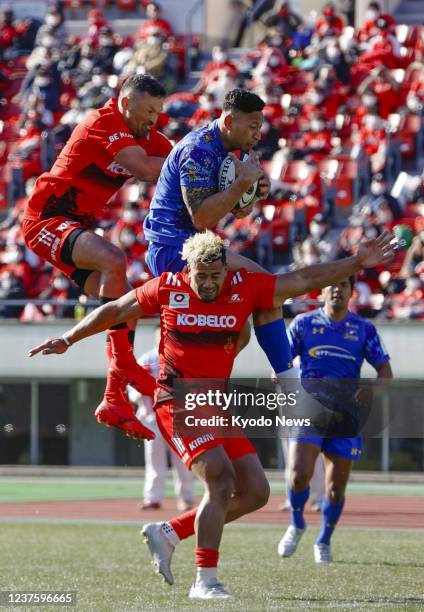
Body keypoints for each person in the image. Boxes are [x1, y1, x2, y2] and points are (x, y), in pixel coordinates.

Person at [29, 229, 394, 599]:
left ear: (226, 269)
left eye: (214, 276)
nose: (207, 283)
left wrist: (357, 262)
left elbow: (300, 280)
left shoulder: (245, 287)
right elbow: (116, 310)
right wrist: (69, 338)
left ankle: (168, 532)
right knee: (220, 480)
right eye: (200, 275)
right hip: (176, 401)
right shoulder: (167, 287)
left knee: (255, 491)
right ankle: (205, 580)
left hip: (214, 406)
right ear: (188, 269)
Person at [22, 74, 173, 439]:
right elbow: (146, 169)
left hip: (73, 226)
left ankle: (113, 399)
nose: (153, 118)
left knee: (126, 302)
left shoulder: (146, 136)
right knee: (114, 259)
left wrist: (234, 179)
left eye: (158, 112)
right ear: (126, 103)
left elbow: (185, 157)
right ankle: (124, 363)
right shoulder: (103, 122)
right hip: (46, 219)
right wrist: (202, 173)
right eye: (148, 110)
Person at [143, 87, 294, 396]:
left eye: (259, 127)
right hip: (173, 248)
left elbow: (238, 210)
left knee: (241, 331)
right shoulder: (198, 149)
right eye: (252, 126)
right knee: (265, 286)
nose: (257, 134)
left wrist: (253, 193)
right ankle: (288, 377)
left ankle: (187, 376)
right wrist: (242, 184)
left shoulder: (228, 150)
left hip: (193, 246)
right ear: (228, 122)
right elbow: (200, 217)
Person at [277, 276, 393, 564]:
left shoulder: (364, 329)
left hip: (345, 417)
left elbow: (385, 374)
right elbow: (281, 364)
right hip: (309, 410)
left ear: (352, 292)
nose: (337, 289)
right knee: (298, 473)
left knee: (334, 489)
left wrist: (370, 390)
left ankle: (324, 540)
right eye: (333, 284)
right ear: (323, 289)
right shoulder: (303, 324)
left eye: (344, 285)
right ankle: (296, 523)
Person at [128, 327, 195, 511]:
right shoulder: (147, 360)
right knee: (154, 459)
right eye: (160, 336)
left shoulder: (180, 358)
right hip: (153, 417)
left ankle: (186, 498)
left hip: (179, 418)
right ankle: (152, 498)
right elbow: (134, 388)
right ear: (155, 338)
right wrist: (146, 409)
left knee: (182, 459)